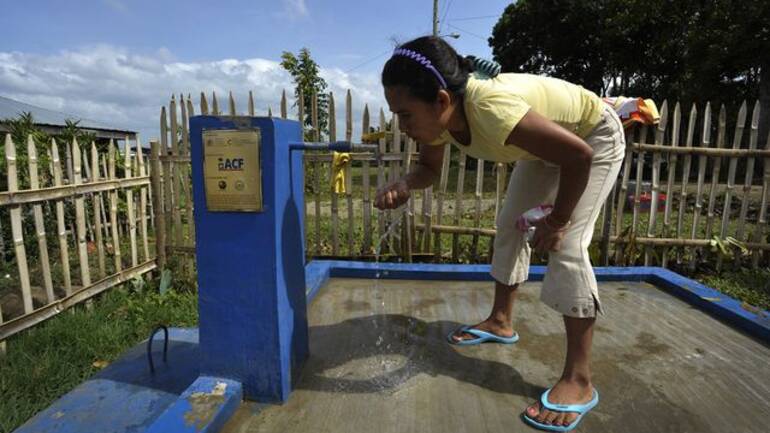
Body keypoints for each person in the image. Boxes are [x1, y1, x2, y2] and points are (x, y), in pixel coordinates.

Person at [374, 35, 625, 432]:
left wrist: (557, 221)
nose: (402, 126)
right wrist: (405, 184)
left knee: (569, 245)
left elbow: (579, 155)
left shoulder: (489, 108)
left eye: (405, 115)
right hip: (547, 149)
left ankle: (579, 380)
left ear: (441, 100)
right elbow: (427, 171)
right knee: (512, 223)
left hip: (592, 137)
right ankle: (501, 321)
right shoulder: (440, 120)